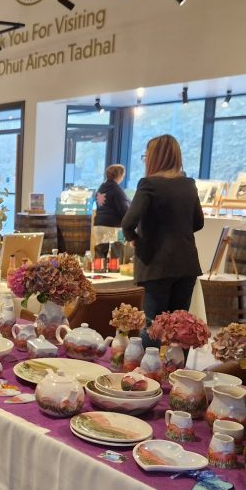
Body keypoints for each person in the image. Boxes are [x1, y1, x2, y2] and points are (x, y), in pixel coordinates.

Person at [121, 134, 204, 348]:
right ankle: (176, 374)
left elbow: (128, 223)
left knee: (154, 325)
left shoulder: (149, 184)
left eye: (146, 155)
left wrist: (136, 240)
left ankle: (152, 376)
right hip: (186, 263)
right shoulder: (188, 184)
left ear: (154, 157)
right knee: (181, 326)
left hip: (156, 264)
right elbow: (198, 223)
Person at [94, 163, 130, 229]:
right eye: (123, 176)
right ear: (119, 175)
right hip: (111, 226)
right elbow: (124, 210)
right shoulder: (117, 190)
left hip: (98, 224)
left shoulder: (100, 189)